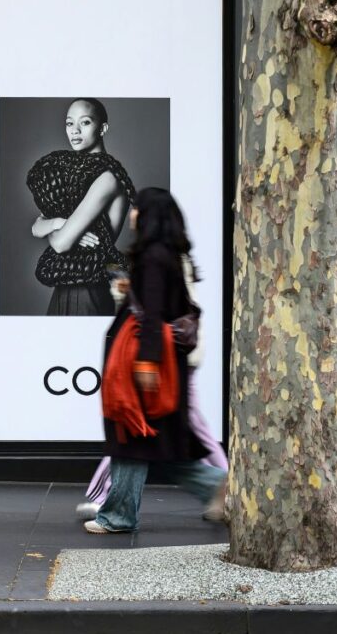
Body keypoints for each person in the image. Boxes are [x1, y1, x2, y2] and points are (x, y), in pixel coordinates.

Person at [84, 188, 227, 534]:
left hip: (149, 366)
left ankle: (118, 516)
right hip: (167, 364)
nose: (132, 214)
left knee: (132, 437)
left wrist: (146, 363)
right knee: (162, 444)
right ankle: (220, 487)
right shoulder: (169, 256)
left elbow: (151, 315)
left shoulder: (152, 256)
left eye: (136, 209)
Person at [27, 98, 136, 315]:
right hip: (65, 288)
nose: (75, 131)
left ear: (102, 128)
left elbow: (60, 244)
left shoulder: (108, 178)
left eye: (85, 122)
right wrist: (62, 223)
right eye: (69, 123)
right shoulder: (75, 178)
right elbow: (34, 228)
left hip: (88, 290)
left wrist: (56, 228)